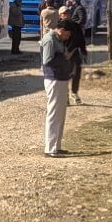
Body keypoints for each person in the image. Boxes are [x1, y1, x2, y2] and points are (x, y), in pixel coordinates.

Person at [39, 20, 76, 157]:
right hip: (54, 79)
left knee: (60, 114)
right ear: (61, 29)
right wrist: (65, 57)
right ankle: (50, 148)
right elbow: (47, 60)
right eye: (67, 35)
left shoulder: (58, 39)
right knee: (54, 114)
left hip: (61, 78)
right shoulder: (50, 40)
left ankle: (56, 146)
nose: (67, 38)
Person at [59, 6, 88, 105]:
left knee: (76, 74)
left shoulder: (75, 26)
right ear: (60, 15)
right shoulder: (58, 26)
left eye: (67, 13)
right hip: (62, 54)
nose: (66, 15)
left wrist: (84, 52)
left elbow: (81, 40)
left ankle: (74, 92)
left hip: (74, 53)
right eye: (64, 13)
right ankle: (65, 95)